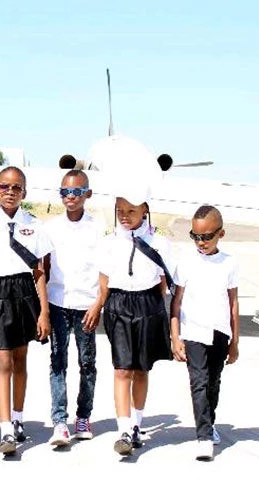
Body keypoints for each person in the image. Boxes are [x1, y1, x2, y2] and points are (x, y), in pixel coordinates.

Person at [0, 166, 52, 456]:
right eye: (5, 187)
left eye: (16, 187)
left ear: (24, 193)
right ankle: (5, 428)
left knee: (20, 359)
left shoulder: (34, 225)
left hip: (25, 293)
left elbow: (39, 271)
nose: (10, 192)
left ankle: (18, 418)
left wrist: (43, 312)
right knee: (3, 360)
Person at [95, 182, 173, 456]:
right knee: (121, 369)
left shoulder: (160, 242)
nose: (125, 216)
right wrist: (99, 306)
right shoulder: (109, 242)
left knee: (141, 369)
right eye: (120, 210)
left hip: (148, 302)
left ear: (145, 211)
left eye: (131, 210)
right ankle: (124, 430)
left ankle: (137, 424)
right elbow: (103, 281)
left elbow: (164, 283)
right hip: (119, 303)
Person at [170, 205, 240, 461]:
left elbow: (233, 303)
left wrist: (235, 341)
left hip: (219, 332)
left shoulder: (229, 263)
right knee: (198, 382)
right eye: (195, 236)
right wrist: (175, 336)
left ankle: (208, 423)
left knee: (213, 382)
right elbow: (176, 303)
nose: (200, 242)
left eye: (206, 237)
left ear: (221, 234)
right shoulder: (186, 262)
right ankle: (204, 437)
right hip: (193, 331)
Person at [42, 170, 103, 448]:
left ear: (87, 194)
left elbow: (105, 271)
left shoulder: (97, 228)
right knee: (58, 362)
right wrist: (43, 308)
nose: (70, 197)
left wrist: (98, 303)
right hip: (57, 304)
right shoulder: (51, 228)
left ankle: (83, 417)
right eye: (65, 191)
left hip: (86, 306)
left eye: (76, 192)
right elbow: (42, 268)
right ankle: (59, 422)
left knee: (87, 363)